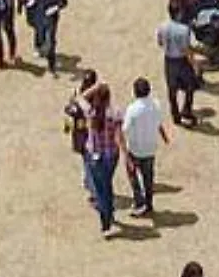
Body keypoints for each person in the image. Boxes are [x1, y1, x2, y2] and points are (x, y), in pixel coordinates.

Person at [123, 77, 169, 218]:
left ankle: (139, 201)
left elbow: (125, 129)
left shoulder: (132, 109)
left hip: (135, 149)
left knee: (132, 175)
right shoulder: (156, 104)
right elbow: (159, 123)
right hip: (150, 148)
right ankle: (148, 204)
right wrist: (164, 136)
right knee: (148, 178)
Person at [81, 82, 121, 238]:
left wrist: (95, 88)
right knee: (107, 184)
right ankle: (109, 211)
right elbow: (119, 137)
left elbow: (80, 97)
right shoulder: (115, 113)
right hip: (111, 155)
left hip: (95, 156)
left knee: (100, 189)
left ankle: (106, 218)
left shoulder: (91, 112)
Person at [158, 13, 200, 127]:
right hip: (181, 61)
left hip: (169, 60)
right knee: (191, 85)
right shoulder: (184, 29)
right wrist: (195, 64)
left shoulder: (162, 26)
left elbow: (160, 43)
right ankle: (186, 110)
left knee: (172, 89)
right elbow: (186, 50)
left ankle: (175, 115)